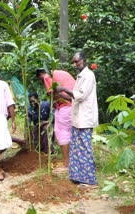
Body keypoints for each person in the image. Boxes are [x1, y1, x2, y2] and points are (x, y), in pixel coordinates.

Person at [54, 52, 98, 189]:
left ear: (84, 61)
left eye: (76, 62)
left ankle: (90, 181)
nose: (74, 65)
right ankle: (78, 177)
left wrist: (64, 89)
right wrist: (61, 95)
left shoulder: (88, 76)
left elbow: (81, 95)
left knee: (84, 148)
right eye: (73, 62)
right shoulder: (80, 77)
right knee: (77, 148)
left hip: (85, 118)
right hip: (78, 118)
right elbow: (74, 98)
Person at [36, 68, 76, 174]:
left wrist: (53, 101)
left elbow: (54, 94)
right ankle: (74, 161)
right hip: (74, 105)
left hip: (65, 106)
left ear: (40, 75)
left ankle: (66, 164)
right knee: (71, 132)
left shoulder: (47, 77)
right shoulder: (61, 73)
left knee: (61, 132)